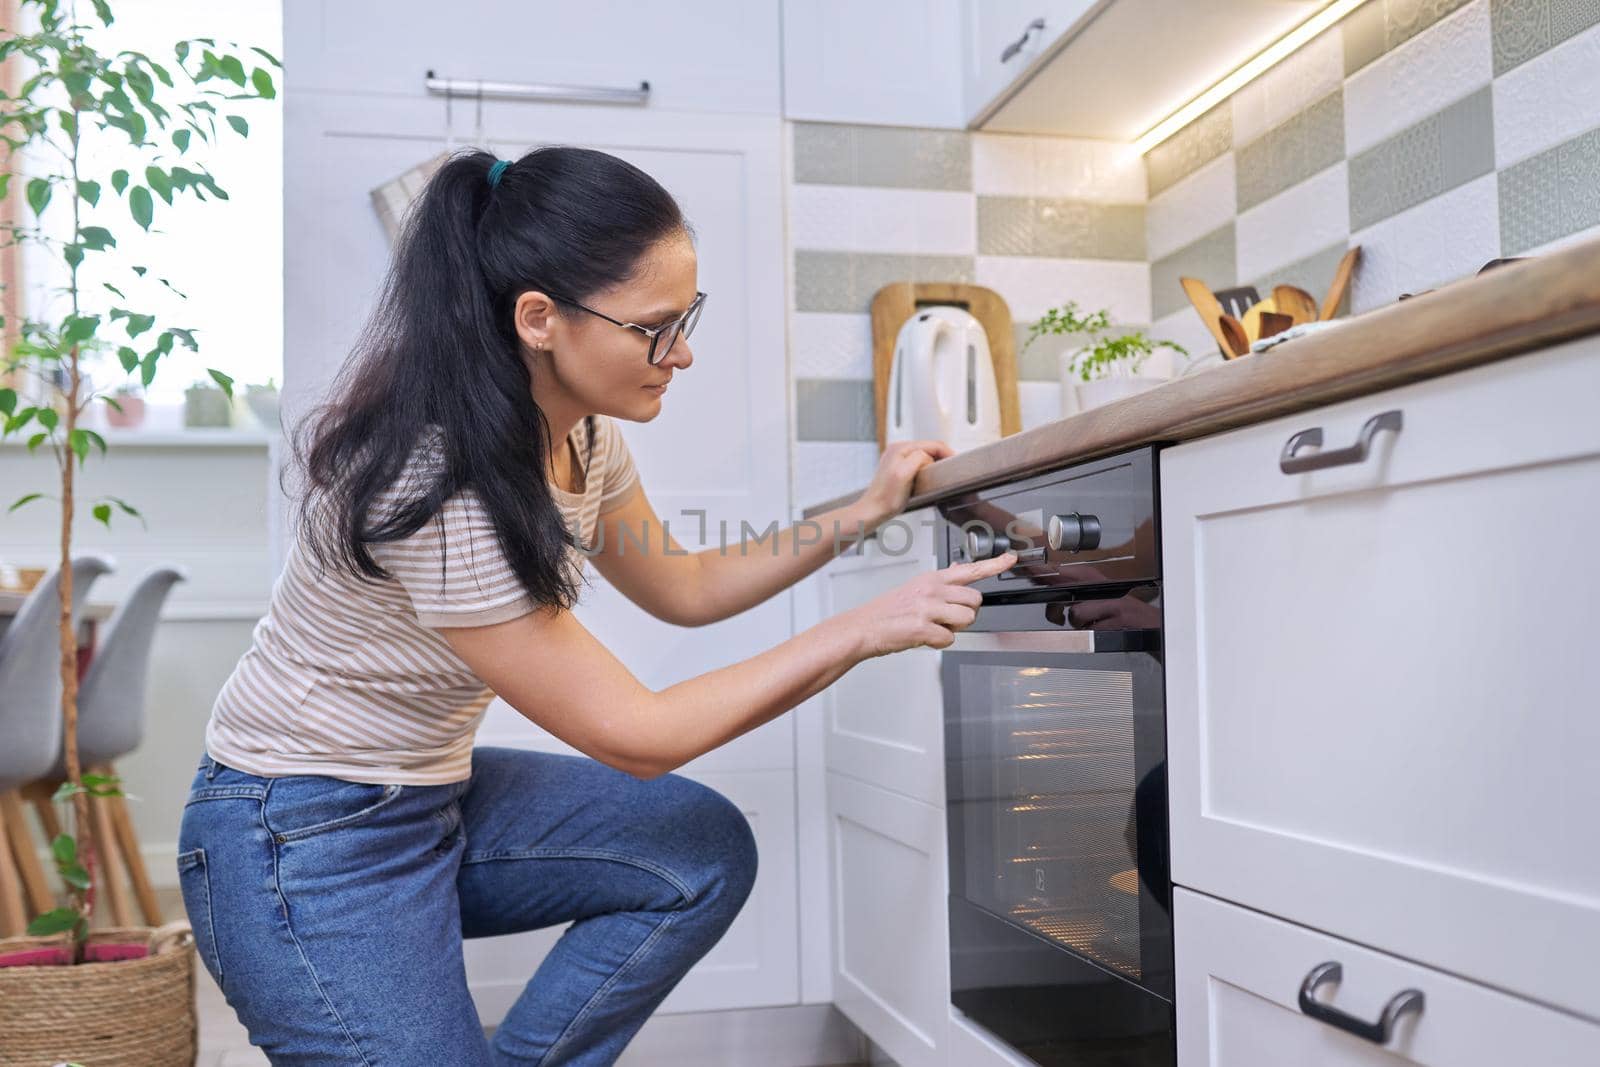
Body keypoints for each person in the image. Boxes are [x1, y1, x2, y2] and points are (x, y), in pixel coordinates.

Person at [175, 145, 1016, 1066]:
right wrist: (861, 627)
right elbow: (637, 733)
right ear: (539, 319)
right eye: (656, 327)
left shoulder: (580, 439)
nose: (682, 353)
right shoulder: (443, 480)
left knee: (695, 849)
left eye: (685, 318)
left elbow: (682, 584)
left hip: (431, 796)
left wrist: (857, 515)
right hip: (297, 834)